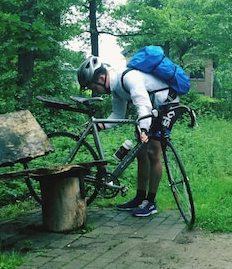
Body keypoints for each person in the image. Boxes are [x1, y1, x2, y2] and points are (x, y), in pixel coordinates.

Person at [77, 55, 179, 217]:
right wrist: (99, 126)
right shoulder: (116, 89)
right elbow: (117, 114)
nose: (95, 91)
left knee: (153, 151)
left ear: (102, 78)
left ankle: (151, 202)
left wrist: (144, 129)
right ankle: (139, 197)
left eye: (93, 87)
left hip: (167, 103)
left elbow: (142, 104)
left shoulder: (128, 78)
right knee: (140, 152)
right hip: (152, 109)